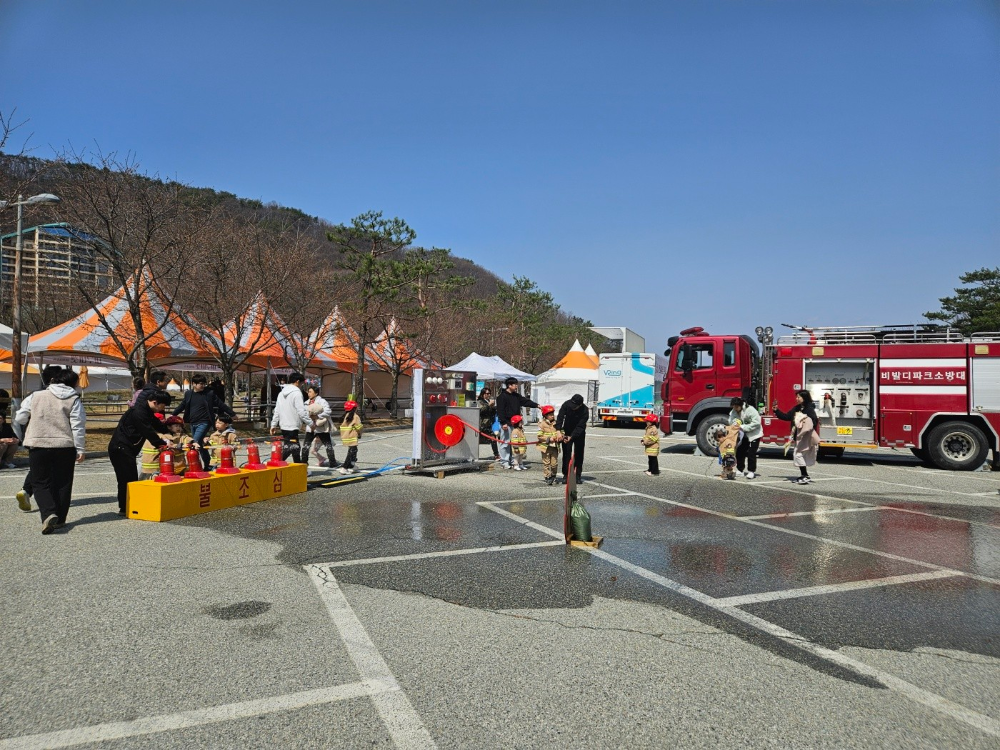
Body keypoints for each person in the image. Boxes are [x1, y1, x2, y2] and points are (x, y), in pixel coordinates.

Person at [12, 369, 86, 534]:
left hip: (38, 444)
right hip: (64, 445)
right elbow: (78, 425)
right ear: (73, 383)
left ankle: (48, 513)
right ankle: (60, 519)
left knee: (40, 482)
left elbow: (20, 418)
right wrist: (80, 448)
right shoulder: (74, 399)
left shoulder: (36, 395)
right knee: (63, 482)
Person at [109, 389, 174, 515]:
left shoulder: (146, 410)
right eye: (163, 406)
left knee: (130, 478)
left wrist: (169, 431)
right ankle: (125, 507)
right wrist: (162, 444)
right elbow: (148, 431)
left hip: (127, 448)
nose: (163, 409)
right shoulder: (139, 412)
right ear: (155, 402)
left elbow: (156, 424)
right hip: (120, 448)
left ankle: (129, 505)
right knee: (127, 479)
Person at [14, 365, 63, 513]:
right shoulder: (66, 395)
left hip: (35, 437)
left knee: (38, 468)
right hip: (58, 438)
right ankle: (47, 503)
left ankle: (26, 491)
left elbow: (20, 418)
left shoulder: (34, 395)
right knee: (49, 472)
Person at [173, 374, 235, 470]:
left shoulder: (209, 393)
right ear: (194, 384)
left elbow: (220, 404)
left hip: (205, 422)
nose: (203, 386)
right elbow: (182, 405)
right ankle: (207, 465)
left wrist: (232, 414)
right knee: (200, 445)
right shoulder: (189, 393)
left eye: (204, 384)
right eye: (200, 384)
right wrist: (173, 415)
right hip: (192, 422)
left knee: (194, 442)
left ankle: (194, 466)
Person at [496, 377, 538, 470]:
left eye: (516, 384)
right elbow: (500, 411)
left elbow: (525, 401)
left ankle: (513, 461)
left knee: (515, 442)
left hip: (516, 424)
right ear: (509, 385)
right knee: (505, 442)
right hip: (506, 423)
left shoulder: (516, 396)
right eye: (515, 384)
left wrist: (536, 405)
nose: (516, 386)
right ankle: (504, 462)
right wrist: (503, 422)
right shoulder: (502, 397)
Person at [269, 372, 310, 463]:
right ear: (297, 381)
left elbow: (277, 410)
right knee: (292, 447)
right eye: (301, 383)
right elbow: (301, 411)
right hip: (293, 425)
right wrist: (310, 423)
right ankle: (276, 462)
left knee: (294, 448)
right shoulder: (297, 393)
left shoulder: (281, 393)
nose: (301, 385)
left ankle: (298, 466)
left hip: (284, 425)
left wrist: (273, 424)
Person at [140, 415, 187, 480]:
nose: (178, 428)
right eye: (176, 426)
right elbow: (169, 445)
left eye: (180, 426)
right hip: (156, 469)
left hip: (146, 468)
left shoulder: (148, 435)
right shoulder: (161, 436)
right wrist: (180, 446)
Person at [556, 394, 589, 484]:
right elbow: (560, 417)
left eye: (575, 406)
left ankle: (577, 475)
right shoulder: (566, 404)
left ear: (580, 405)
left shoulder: (585, 410)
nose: (573, 407)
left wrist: (572, 436)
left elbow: (580, 426)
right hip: (567, 431)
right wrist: (558, 430)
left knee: (579, 454)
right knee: (566, 454)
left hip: (579, 433)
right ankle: (566, 474)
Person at [304, 386, 339, 468]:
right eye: (308, 392)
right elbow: (303, 413)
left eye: (310, 392)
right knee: (306, 446)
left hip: (321, 427)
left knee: (328, 445)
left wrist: (317, 416)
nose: (308, 393)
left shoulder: (322, 401)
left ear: (316, 393)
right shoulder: (306, 403)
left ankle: (333, 462)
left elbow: (328, 411)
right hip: (311, 427)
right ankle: (304, 463)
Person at [729, 397, 762, 479]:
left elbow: (757, 422)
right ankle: (740, 470)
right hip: (743, 435)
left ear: (740, 405)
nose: (735, 409)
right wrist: (735, 423)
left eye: (736, 407)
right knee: (740, 452)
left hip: (754, 434)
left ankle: (751, 471)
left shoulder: (750, 409)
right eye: (733, 407)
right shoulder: (734, 411)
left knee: (751, 453)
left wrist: (743, 427)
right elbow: (731, 420)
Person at [790, 410, 819, 484]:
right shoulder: (799, 420)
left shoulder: (806, 419)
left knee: (798, 455)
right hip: (804, 441)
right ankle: (804, 475)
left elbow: (808, 428)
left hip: (807, 441)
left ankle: (805, 475)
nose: (794, 416)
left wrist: (800, 434)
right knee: (799, 455)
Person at [536, 404, 562, 485]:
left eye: (552, 414)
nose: (552, 416)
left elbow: (561, 432)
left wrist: (560, 437)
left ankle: (553, 475)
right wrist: (548, 439)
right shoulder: (541, 424)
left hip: (554, 447)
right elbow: (539, 436)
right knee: (546, 463)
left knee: (554, 463)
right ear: (545, 415)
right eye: (550, 414)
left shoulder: (557, 423)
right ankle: (547, 476)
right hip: (545, 447)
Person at [338, 399, 362, 474]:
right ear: (354, 408)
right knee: (351, 452)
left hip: (346, 436)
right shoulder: (355, 416)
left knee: (354, 450)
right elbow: (359, 427)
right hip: (352, 436)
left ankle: (352, 465)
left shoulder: (346, 416)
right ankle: (345, 468)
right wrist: (359, 434)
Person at [477, 387, 500, 460]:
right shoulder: (480, 401)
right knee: (478, 440)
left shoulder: (488, 401)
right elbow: (481, 410)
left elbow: (492, 412)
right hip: (483, 424)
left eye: (489, 393)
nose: (489, 395)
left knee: (493, 438)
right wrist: (489, 405)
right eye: (487, 393)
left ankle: (496, 454)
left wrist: (494, 407)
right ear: (483, 394)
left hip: (490, 423)